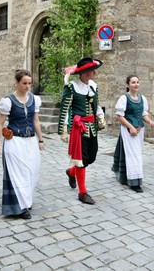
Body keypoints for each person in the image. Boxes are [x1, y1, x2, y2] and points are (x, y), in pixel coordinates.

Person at [0, 69, 45, 220]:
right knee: (18, 173)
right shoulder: (8, 101)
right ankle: (19, 208)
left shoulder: (34, 99)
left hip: (30, 141)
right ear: (16, 83)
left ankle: (25, 201)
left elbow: (36, 121)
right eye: (24, 83)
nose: (27, 86)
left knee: (31, 172)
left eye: (29, 83)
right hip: (15, 141)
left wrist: (40, 140)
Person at [58, 57, 106, 205]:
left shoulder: (93, 86)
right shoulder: (72, 87)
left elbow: (96, 104)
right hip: (78, 128)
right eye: (92, 71)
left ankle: (71, 172)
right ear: (84, 73)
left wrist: (100, 116)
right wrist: (64, 130)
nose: (94, 74)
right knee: (81, 160)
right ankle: (82, 192)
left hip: (92, 127)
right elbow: (65, 109)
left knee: (90, 157)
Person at [112, 75, 154, 193]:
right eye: (133, 82)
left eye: (137, 82)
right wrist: (130, 127)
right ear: (127, 85)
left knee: (136, 153)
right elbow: (119, 116)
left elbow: (143, 114)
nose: (136, 84)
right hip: (128, 130)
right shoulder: (124, 98)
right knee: (133, 154)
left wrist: (149, 121)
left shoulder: (143, 99)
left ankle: (126, 176)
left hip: (139, 130)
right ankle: (134, 182)